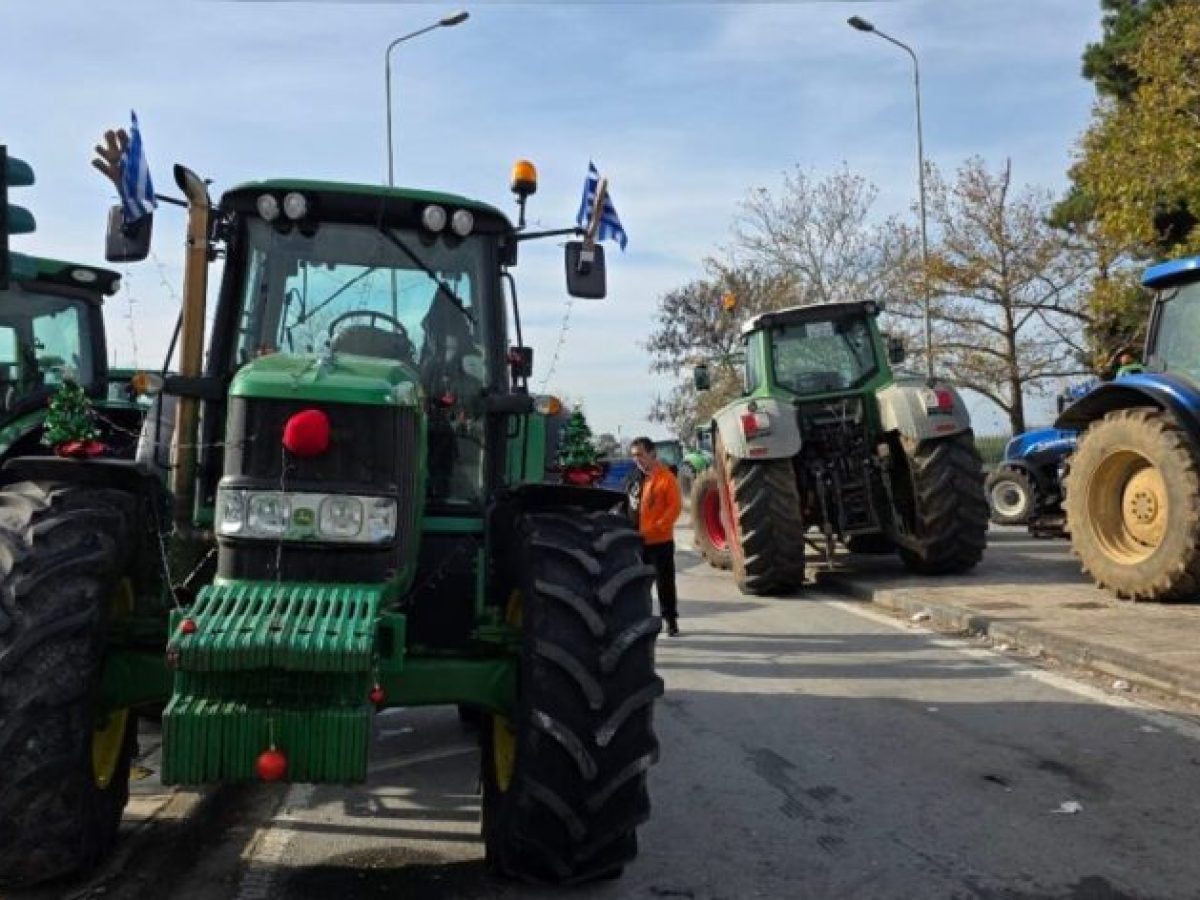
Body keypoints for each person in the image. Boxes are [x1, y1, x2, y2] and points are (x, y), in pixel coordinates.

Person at [628, 437, 682, 636]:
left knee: (664, 584)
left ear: (652, 454)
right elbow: (627, 505)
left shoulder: (666, 478)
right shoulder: (633, 478)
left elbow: (674, 508)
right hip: (636, 542)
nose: (637, 460)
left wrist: (657, 527)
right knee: (638, 585)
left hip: (660, 542)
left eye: (640, 455)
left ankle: (670, 621)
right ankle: (641, 620)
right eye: (634, 456)